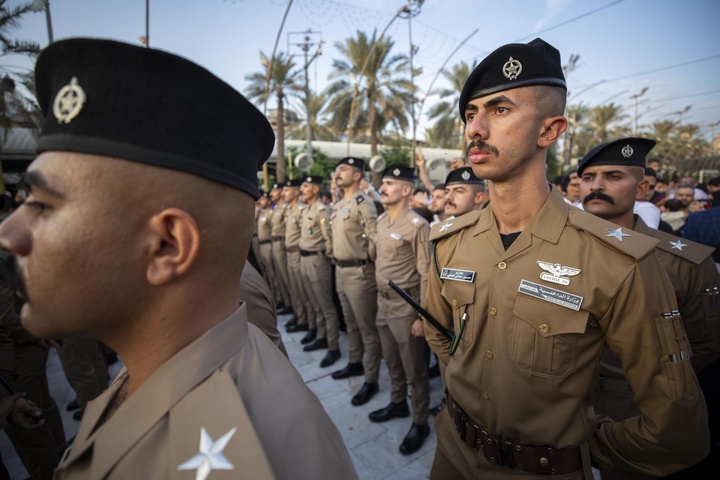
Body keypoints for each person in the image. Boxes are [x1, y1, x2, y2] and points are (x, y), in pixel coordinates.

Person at [0, 38, 357, 479]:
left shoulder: (254, 459)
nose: (9, 233)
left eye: (44, 205)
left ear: (168, 246)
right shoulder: (146, 372)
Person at [424, 38, 708, 479]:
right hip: (451, 456)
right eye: (470, 113)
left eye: (500, 110)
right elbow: (440, 334)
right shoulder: (447, 242)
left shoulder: (617, 260)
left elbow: (675, 426)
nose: (475, 129)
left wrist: (579, 447)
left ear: (550, 131)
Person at [577, 136, 720, 480]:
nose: (596, 186)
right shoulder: (559, 253)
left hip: (638, 414)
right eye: (587, 178)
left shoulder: (684, 262)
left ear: (641, 187)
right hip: (565, 409)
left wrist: (644, 377)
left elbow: (704, 344)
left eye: (612, 177)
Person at [371, 165, 432, 456]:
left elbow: (426, 274)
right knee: (391, 360)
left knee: (414, 370)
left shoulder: (418, 226)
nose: (383, 188)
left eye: (390, 183)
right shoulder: (381, 221)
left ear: (406, 190)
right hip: (382, 303)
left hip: (406, 307)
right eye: (382, 182)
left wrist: (421, 315)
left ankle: (420, 421)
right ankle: (397, 402)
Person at [329, 157, 383, 407]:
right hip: (340, 270)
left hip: (360, 273)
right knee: (350, 323)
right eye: (338, 169)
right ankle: (354, 363)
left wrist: (368, 265)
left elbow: (374, 240)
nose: (338, 173)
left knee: (367, 329)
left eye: (344, 169)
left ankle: (371, 379)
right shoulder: (340, 204)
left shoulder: (365, 204)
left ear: (358, 176)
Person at [298, 175, 344, 368]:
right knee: (315, 303)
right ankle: (321, 336)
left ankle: (333, 347)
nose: (302, 189)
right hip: (304, 259)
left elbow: (328, 238)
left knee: (326, 306)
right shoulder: (307, 208)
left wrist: (327, 257)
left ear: (316, 189)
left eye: (306, 185)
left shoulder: (321, 210)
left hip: (318, 260)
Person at [282, 179, 315, 338]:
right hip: (289, 252)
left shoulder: (302, 210)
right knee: (295, 290)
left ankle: (311, 324)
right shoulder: (290, 210)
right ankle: (301, 317)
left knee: (305, 293)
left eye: (287, 190)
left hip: (299, 253)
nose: (283, 193)